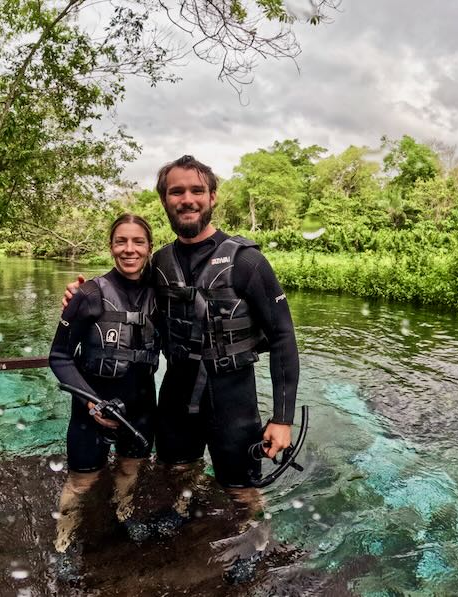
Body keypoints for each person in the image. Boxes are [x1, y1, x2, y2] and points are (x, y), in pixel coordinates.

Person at [65, 156, 300, 499]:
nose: (187, 199)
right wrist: (78, 296)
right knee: (173, 478)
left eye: (196, 190)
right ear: (165, 200)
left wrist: (282, 418)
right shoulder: (159, 263)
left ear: (212, 196)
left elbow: (282, 336)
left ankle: (252, 546)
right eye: (176, 191)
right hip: (176, 396)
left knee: (242, 493)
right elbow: (120, 293)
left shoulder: (247, 261)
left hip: (233, 397)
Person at [48, 213, 159, 559]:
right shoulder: (88, 294)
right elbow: (60, 357)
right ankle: (62, 543)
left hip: (140, 405)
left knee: (130, 468)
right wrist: (92, 404)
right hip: (91, 407)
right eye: (121, 241)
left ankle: (123, 515)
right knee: (81, 482)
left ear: (149, 247)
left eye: (137, 242)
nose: (129, 249)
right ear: (111, 247)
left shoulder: (161, 294)